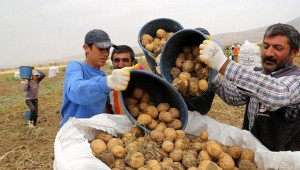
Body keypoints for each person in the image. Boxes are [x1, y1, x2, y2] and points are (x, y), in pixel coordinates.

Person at [199, 23, 300, 151]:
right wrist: (213, 77)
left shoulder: (296, 79)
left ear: (294, 53)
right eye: (266, 46)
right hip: (253, 155)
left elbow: (277, 95)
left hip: (283, 161)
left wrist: (223, 63)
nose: (268, 53)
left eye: (277, 48)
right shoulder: (257, 75)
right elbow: (233, 97)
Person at [59, 29, 132, 127]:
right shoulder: (76, 67)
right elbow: (76, 91)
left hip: (95, 133)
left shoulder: (102, 75)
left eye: (107, 49)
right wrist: (107, 82)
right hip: (74, 131)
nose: (105, 53)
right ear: (86, 48)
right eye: (101, 49)